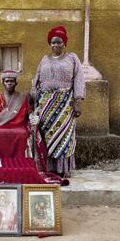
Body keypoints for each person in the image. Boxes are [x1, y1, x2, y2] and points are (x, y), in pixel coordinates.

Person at [31, 26, 86, 177]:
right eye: (52, 43)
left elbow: (79, 79)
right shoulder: (44, 59)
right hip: (45, 105)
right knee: (46, 136)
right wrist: (33, 97)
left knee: (64, 136)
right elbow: (36, 79)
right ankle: (48, 167)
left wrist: (78, 101)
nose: (55, 45)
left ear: (64, 43)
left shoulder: (72, 58)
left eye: (58, 42)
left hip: (65, 104)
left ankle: (62, 169)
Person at [0, 70, 45, 169]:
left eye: (12, 81)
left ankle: (20, 164)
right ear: (2, 82)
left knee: (22, 134)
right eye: (7, 81)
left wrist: (35, 118)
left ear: (16, 83)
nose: (9, 83)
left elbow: (30, 114)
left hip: (19, 127)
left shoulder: (23, 97)